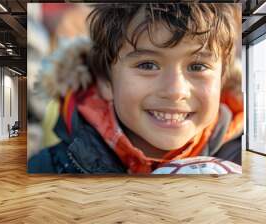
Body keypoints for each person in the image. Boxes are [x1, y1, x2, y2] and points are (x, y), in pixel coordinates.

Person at [28, 3, 243, 174]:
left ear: (222, 79)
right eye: (148, 65)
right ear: (105, 81)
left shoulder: (243, 160)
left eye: (197, 66)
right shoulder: (51, 167)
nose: (175, 90)